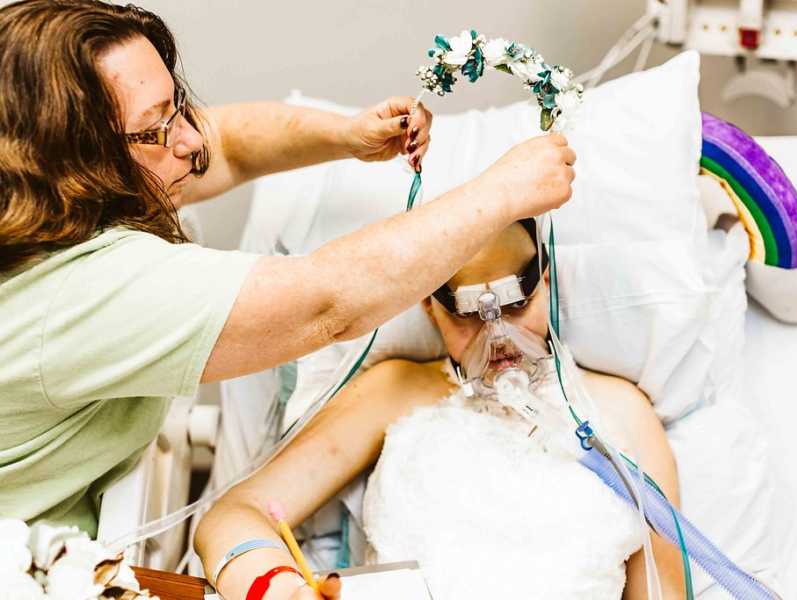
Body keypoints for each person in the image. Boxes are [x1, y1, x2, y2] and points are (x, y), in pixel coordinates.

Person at [0, 3, 575, 595]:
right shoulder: (75, 293)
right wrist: (503, 193)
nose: (191, 140)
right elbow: (326, 303)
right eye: (156, 130)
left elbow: (223, 143)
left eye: (178, 109)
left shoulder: (44, 193)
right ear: (70, 162)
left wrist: (343, 136)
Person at [196, 220, 685, 600]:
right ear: (431, 308)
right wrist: (279, 587)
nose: (498, 339)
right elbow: (234, 516)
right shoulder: (396, 391)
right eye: (469, 315)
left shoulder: (621, 416)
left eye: (517, 306)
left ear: (548, 284)